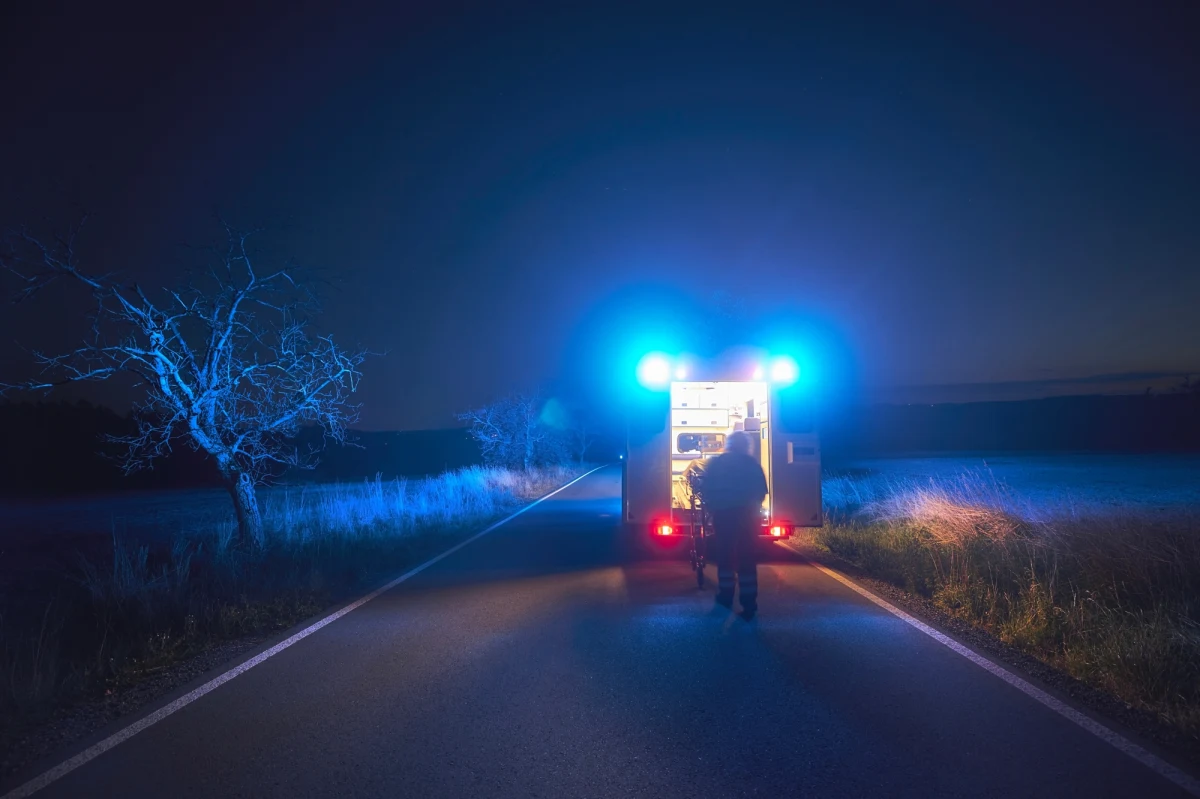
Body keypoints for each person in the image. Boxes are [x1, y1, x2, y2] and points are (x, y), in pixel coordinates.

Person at [701, 430, 768, 619]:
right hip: (747, 518)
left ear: (728, 444)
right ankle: (749, 604)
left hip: (724, 516)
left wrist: (712, 509)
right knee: (747, 559)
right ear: (746, 446)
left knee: (725, 557)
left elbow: (706, 490)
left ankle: (725, 597)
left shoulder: (716, 463)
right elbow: (761, 492)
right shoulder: (752, 464)